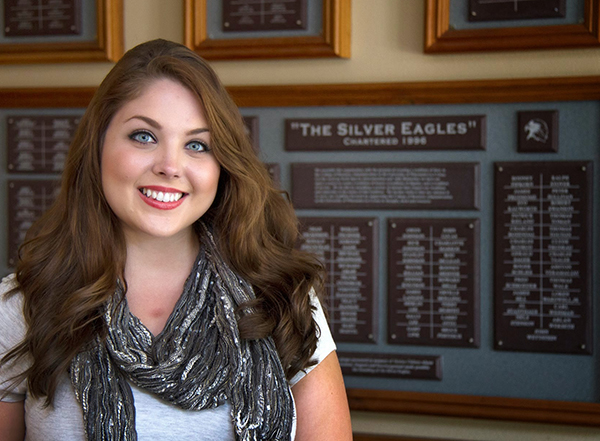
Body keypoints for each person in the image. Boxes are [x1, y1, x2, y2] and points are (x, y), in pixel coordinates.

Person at [0, 39, 352, 440]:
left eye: (197, 145)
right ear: (97, 146)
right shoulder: (21, 309)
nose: (170, 166)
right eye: (144, 136)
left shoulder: (284, 298)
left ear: (222, 167)